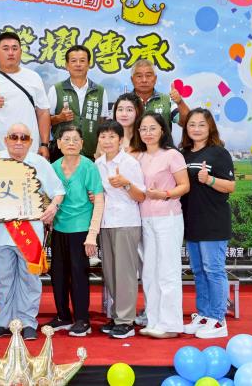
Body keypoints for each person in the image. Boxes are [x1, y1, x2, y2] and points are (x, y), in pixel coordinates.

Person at [0, 123, 65, 341]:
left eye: (24, 138)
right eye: (14, 137)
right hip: (0, 232)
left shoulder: (39, 163)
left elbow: (58, 190)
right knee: (3, 280)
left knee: (30, 279)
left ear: (31, 142)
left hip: (30, 233)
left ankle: (28, 322)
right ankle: (4, 322)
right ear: (6, 140)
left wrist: (53, 207)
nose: (18, 142)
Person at [133, 111, 190, 339]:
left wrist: (164, 194)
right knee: (149, 272)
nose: (148, 133)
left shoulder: (172, 155)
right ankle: (154, 320)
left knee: (168, 271)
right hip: (145, 218)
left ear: (163, 130)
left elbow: (184, 186)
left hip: (168, 217)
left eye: (152, 128)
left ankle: (171, 324)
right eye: (143, 129)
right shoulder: (138, 157)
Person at [180, 108, 235, 339]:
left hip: (213, 221)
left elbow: (230, 186)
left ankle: (218, 319)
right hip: (191, 221)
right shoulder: (183, 154)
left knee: (213, 270)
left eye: (201, 124)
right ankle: (203, 315)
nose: (196, 129)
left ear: (210, 127)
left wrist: (209, 179)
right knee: (199, 271)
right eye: (192, 124)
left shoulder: (219, 153)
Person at [45, 125, 104, 337]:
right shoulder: (52, 167)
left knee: (79, 274)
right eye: (66, 139)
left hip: (81, 229)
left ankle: (82, 319)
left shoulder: (89, 167)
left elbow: (99, 200)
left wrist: (92, 234)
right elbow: (46, 196)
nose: (71, 143)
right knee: (58, 274)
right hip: (59, 228)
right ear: (59, 143)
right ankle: (63, 315)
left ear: (82, 144)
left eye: (75, 139)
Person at [95, 120, 146, 339]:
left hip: (126, 222)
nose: (107, 141)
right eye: (103, 136)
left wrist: (125, 183)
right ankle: (117, 315)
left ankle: (126, 321)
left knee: (125, 273)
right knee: (110, 272)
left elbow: (141, 195)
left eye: (112, 136)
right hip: (106, 222)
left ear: (120, 139)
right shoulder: (98, 163)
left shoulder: (129, 163)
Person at [0, 32, 51, 159]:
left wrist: (44, 144)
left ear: (21, 52)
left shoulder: (34, 77)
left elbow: (43, 113)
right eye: (5, 48)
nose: (11, 53)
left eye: (15, 48)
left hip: (29, 150)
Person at [47, 45, 109, 161]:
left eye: (82, 60)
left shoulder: (100, 91)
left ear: (89, 64)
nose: (78, 64)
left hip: (91, 152)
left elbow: (103, 123)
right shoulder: (56, 89)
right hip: (61, 154)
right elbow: (45, 121)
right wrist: (59, 118)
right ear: (67, 65)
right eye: (73, 61)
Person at [130, 59, 190, 130]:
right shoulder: (124, 102)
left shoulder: (167, 100)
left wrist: (180, 102)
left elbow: (187, 123)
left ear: (155, 79)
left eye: (148, 76)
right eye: (139, 76)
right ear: (132, 79)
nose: (144, 80)